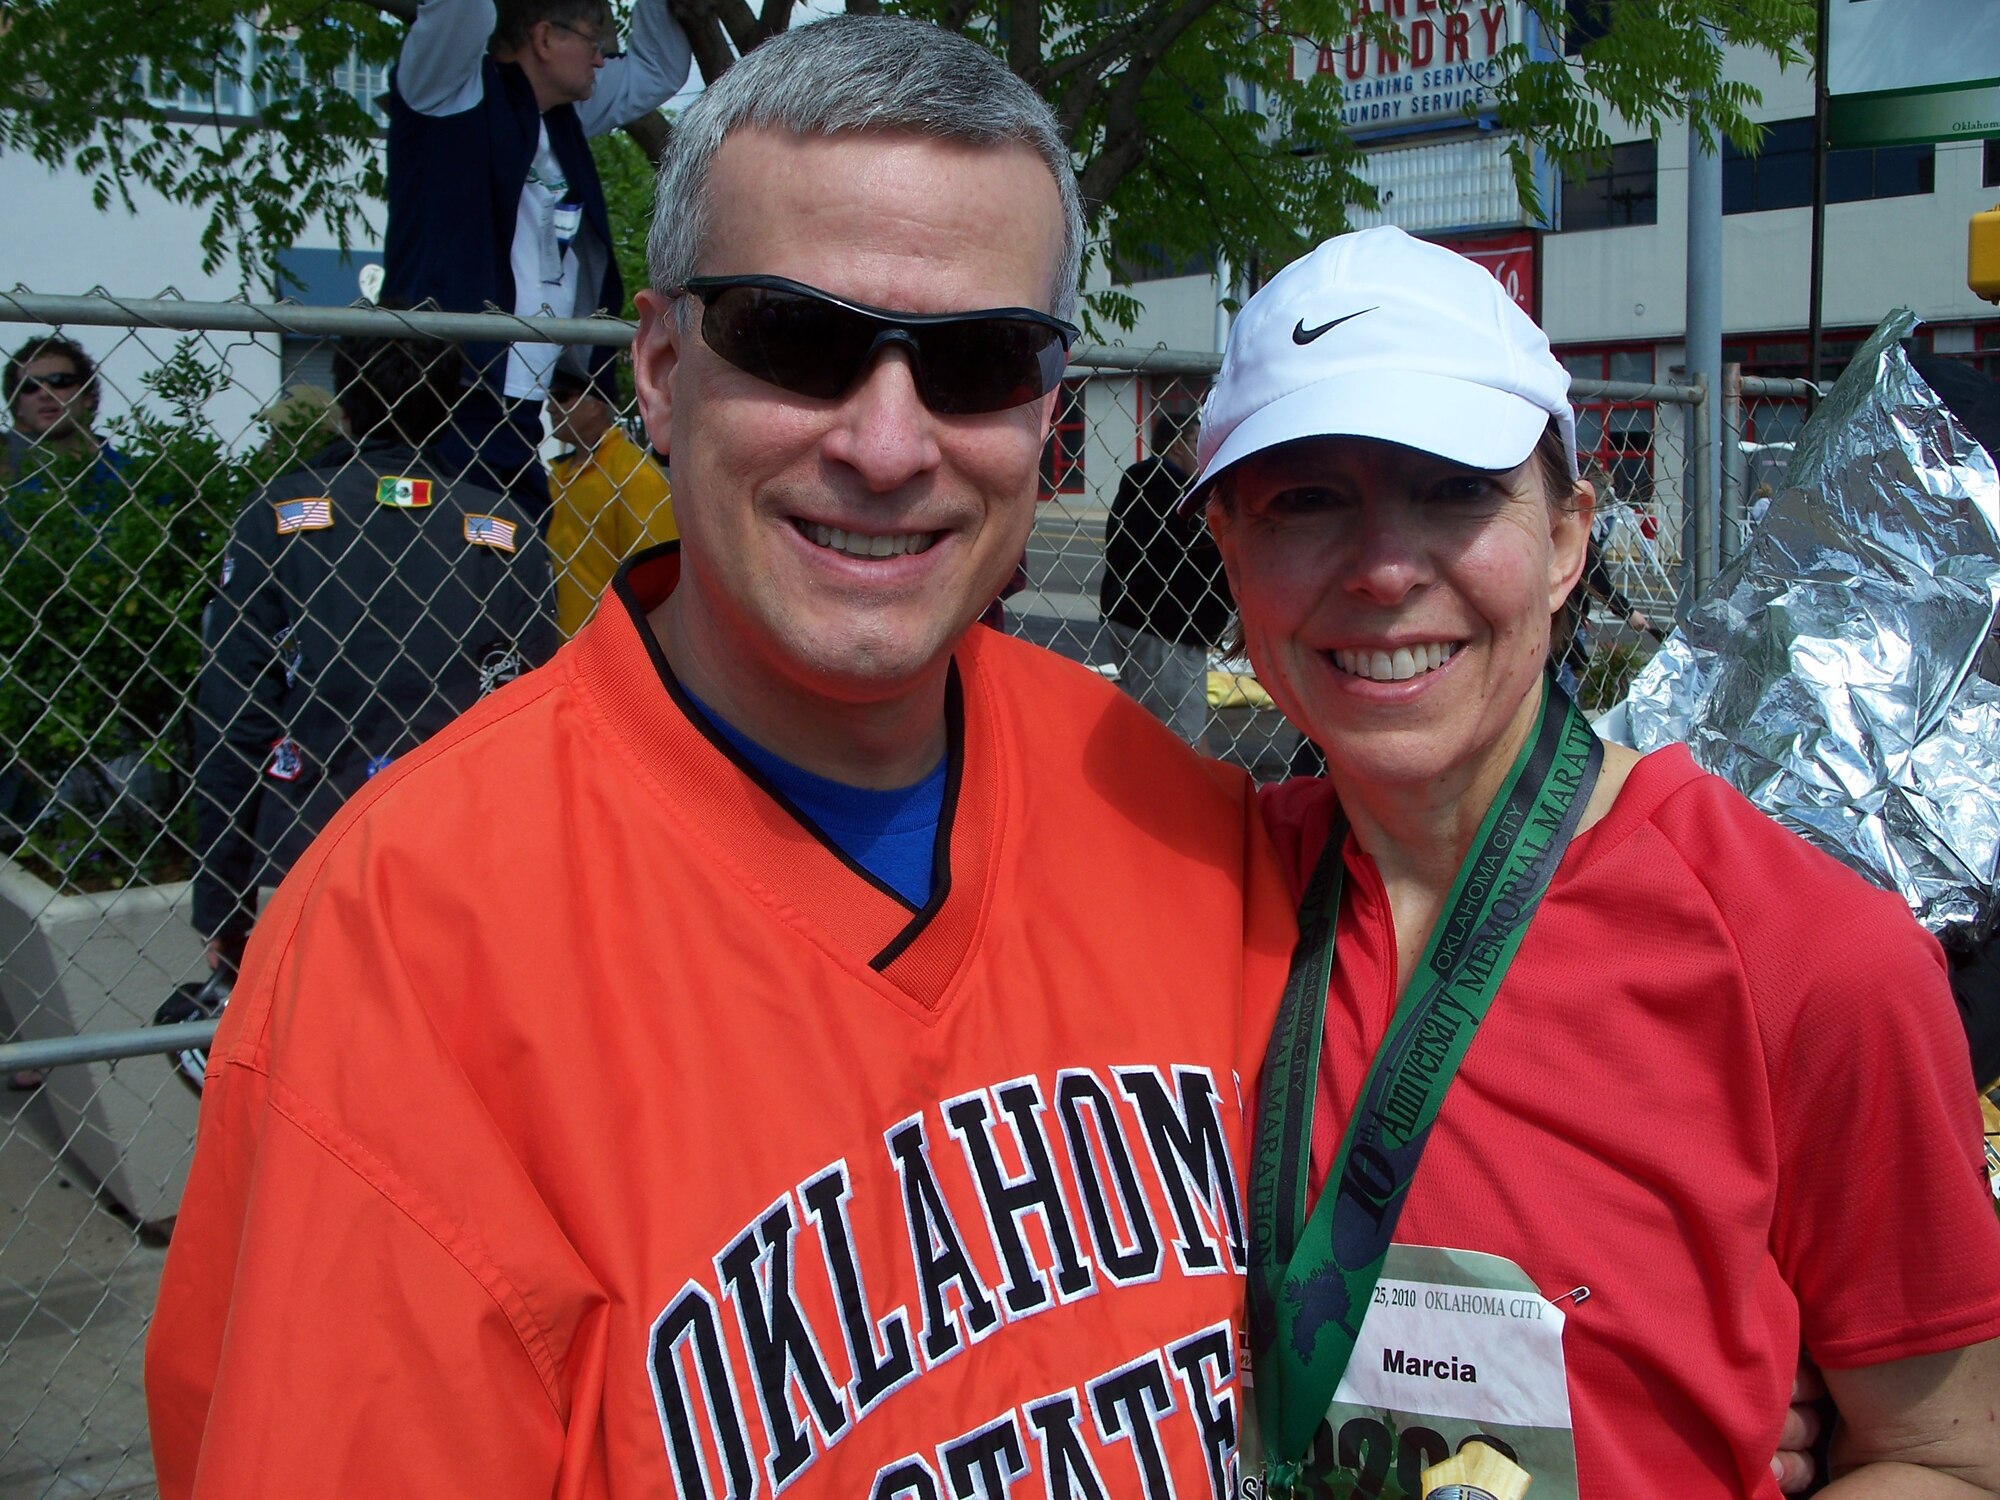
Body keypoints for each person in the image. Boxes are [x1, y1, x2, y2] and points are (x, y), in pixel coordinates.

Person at [146, 17, 1290, 1495]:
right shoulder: (409, 936)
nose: (889, 443)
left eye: (978, 360)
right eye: (798, 339)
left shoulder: (1175, 814)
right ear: (664, 367)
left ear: (1045, 407)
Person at [1194, 226, 2000, 1498]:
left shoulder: (1809, 962)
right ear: (1231, 556)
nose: (1386, 568)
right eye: (1306, 501)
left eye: (1456, 489)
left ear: (1568, 538)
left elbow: (1948, 1455)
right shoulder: (1174, 893)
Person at [190, 331, 557, 975]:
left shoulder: (277, 519)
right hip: (468, 850)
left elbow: (234, 712)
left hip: (315, 843)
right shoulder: (504, 529)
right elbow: (536, 711)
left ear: (342, 405)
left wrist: (223, 900)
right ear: (448, 406)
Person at [384, 0, 690, 511]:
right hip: (441, 390)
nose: (600, 60)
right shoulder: (449, 89)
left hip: (520, 404)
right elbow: (466, 10)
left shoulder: (564, 115)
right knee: (444, 557)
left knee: (513, 562)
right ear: (544, 38)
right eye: (594, 42)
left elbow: (659, 71)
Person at [1099, 407, 1233, 746]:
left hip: (1130, 618)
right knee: (1178, 738)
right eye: (1197, 442)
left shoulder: (1141, 485)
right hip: (1167, 629)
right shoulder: (1175, 493)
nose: (1206, 453)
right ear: (1176, 445)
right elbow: (1209, 554)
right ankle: (1176, 796)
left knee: (1147, 723)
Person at [544, 365, 676, 635]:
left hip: (604, 647)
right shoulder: (558, 475)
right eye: (549, 398)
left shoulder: (633, 473)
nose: (550, 408)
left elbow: (655, 580)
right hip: (554, 647)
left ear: (597, 404)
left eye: (562, 396)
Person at [2, 335, 126, 495]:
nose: (45, 393)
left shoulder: (138, 478)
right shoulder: (18, 501)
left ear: (87, 395)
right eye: (30, 385)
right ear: (18, 406)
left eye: (60, 381)